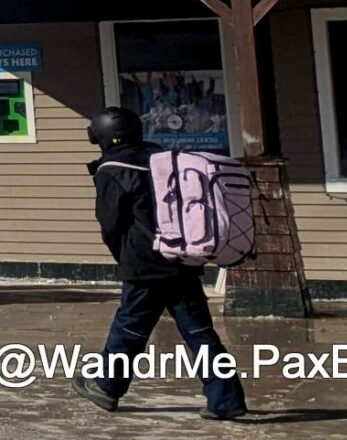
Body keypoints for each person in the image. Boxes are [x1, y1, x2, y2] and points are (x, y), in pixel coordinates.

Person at [75, 107, 248, 420]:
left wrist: (125, 259)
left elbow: (111, 225)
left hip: (144, 265)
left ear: (102, 136)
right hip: (181, 257)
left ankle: (106, 387)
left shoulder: (113, 169)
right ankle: (226, 400)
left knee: (129, 328)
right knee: (200, 332)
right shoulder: (162, 158)